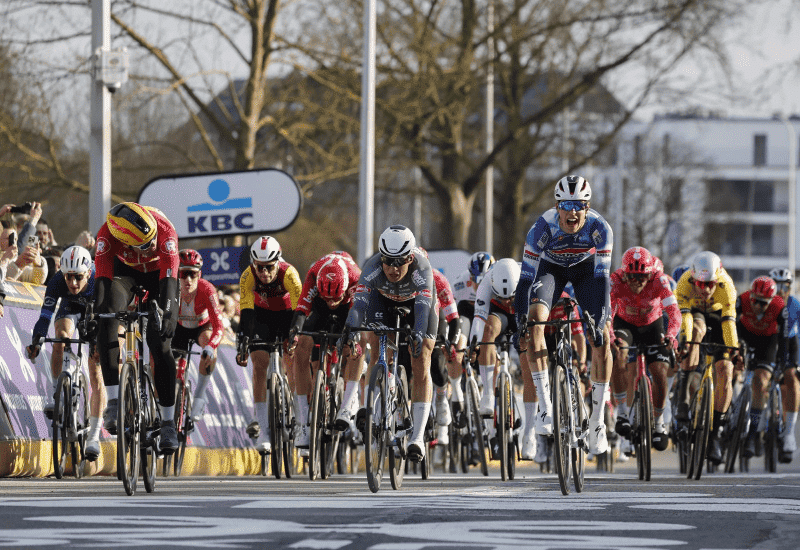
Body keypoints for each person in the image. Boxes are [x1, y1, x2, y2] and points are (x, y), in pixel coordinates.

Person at [515, 175, 614, 456]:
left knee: (603, 337)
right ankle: (545, 408)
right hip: (552, 270)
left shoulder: (600, 228)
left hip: (587, 271)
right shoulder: (541, 228)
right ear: (557, 207)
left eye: (579, 205)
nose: (573, 212)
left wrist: (601, 319)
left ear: (587, 207)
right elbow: (525, 280)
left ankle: (597, 422)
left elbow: (602, 279)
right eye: (567, 205)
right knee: (535, 322)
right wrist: (521, 319)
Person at [340, 225, 437, 462]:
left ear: (410, 258)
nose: (393, 269)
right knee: (375, 343)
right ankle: (376, 408)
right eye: (387, 261)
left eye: (399, 262)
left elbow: (423, 310)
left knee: (421, 355)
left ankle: (417, 437)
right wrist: (350, 329)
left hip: (416, 305)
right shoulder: (372, 267)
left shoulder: (422, 268)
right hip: (382, 300)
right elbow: (359, 306)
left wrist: (417, 333)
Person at [93, 202, 181, 454]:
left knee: (160, 342)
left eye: (152, 240)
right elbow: (102, 282)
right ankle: (113, 401)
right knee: (107, 318)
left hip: (158, 276)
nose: (151, 246)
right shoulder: (107, 235)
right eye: (144, 245)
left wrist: (169, 315)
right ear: (126, 241)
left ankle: (168, 423)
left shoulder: (165, 232)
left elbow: (170, 282)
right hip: (125, 273)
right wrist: (97, 316)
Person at [26, 246, 106, 460]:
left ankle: (94, 437)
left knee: (96, 370)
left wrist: (98, 343)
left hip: (95, 313)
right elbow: (45, 317)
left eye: (78, 277)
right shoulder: (56, 282)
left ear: (88, 272)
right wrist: (37, 340)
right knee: (60, 337)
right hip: (70, 308)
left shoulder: (99, 280)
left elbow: (106, 319)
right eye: (68, 277)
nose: (73, 283)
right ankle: (57, 393)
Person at [287, 251, 361, 450]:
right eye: (327, 298)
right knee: (301, 346)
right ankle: (303, 422)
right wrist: (295, 333)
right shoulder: (313, 274)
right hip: (318, 308)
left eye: (334, 298)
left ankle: (348, 403)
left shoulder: (356, 277)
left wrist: (353, 338)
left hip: (348, 309)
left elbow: (358, 313)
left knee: (355, 346)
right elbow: (302, 309)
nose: (331, 302)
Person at [609, 247, 680, 453]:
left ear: (651, 273)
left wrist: (671, 335)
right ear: (624, 274)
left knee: (659, 371)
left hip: (652, 325)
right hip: (625, 324)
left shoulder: (659, 280)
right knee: (619, 354)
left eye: (643, 276)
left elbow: (674, 312)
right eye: (632, 276)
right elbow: (607, 312)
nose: (638, 281)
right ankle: (622, 413)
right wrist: (611, 337)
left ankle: (658, 423)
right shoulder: (616, 280)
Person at [235, 236, 302, 455]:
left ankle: (298, 414)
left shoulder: (289, 274)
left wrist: (294, 335)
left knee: (291, 360)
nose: (264, 273)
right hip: (261, 317)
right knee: (259, 363)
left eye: (269, 267)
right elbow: (246, 311)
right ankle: (263, 428)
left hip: (287, 316)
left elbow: (300, 310)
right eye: (260, 267)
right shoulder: (248, 276)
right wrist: (244, 340)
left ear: (278, 262)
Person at [468, 258, 540, 460]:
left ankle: (529, 434)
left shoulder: (530, 278)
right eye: (502, 297)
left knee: (529, 368)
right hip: (498, 314)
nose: (507, 301)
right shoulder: (486, 282)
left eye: (510, 297)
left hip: (522, 311)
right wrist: (474, 344)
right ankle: (488, 394)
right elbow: (478, 319)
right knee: (488, 330)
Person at [673, 251, 738, 465]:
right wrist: (685, 342)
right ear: (693, 279)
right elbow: (685, 319)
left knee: (726, 370)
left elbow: (729, 323)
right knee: (695, 331)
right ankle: (683, 400)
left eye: (711, 284)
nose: (706, 290)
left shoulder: (727, 286)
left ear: (717, 280)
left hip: (719, 317)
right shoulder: (683, 284)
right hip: (695, 314)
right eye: (701, 284)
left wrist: (734, 350)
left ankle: (716, 434)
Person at [734, 276, 789, 460]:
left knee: (760, 381)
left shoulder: (779, 307)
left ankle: (752, 434)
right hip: (745, 335)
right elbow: (730, 322)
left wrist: (782, 363)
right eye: (755, 301)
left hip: (767, 341)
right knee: (730, 368)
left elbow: (784, 339)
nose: (757, 306)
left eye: (763, 303)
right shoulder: (742, 299)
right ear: (750, 296)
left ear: (771, 301)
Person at [173, 249, 225, 422]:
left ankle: (199, 397)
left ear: (199, 274)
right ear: (177, 274)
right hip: (179, 328)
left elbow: (219, 326)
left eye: (193, 274)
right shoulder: (171, 288)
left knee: (209, 345)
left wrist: (211, 347)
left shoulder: (207, 289)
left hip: (202, 327)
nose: (188, 280)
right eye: (183, 274)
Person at [418, 248, 461, 446]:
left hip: (435, 316)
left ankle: (442, 397)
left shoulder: (438, 279)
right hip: (412, 317)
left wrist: (451, 342)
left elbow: (454, 318)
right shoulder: (401, 280)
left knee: (436, 362)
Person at [769, 267, 800, 460]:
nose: (781, 290)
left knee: (792, 380)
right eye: (777, 285)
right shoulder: (764, 302)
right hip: (767, 346)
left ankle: (788, 434)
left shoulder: (795, 305)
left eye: (785, 286)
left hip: (789, 347)